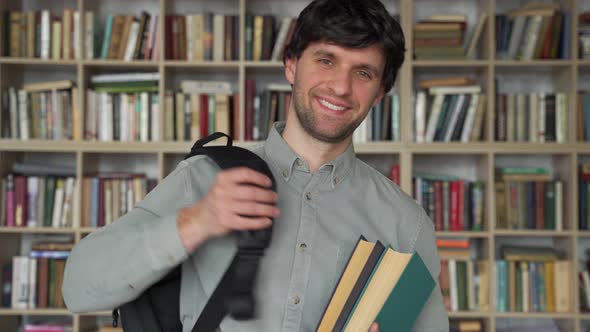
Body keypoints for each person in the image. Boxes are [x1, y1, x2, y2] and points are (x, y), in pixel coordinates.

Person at [62, 0, 449, 330]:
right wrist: (195, 222)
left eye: (362, 72)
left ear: (379, 93)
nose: (341, 87)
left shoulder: (407, 225)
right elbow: (78, 288)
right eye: (326, 60)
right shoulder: (204, 178)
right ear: (292, 65)